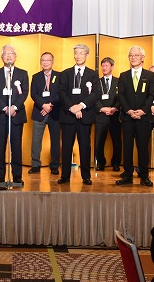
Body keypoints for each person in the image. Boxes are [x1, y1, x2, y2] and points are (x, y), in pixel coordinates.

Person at [58, 44, 100, 185]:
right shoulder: (66, 73)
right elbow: (62, 93)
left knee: (85, 147)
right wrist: (72, 108)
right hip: (68, 116)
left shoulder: (93, 74)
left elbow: (95, 94)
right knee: (66, 147)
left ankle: (86, 176)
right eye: (76, 53)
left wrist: (81, 106)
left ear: (87, 55)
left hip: (85, 116)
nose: (78, 56)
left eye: (81, 53)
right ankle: (64, 176)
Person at [0, 45, 29, 187]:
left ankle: (17, 177)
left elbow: (24, 92)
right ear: (2, 57)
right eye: (6, 53)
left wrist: (14, 107)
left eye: (11, 53)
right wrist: (5, 108)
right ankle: (0, 177)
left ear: (15, 56)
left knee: (16, 148)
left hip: (16, 116)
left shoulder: (22, 73)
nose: (9, 56)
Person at [118, 46, 154, 186]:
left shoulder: (149, 75)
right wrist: (128, 111)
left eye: (136, 55)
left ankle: (144, 176)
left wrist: (143, 110)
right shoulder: (123, 75)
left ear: (142, 58)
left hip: (143, 118)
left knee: (143, 147)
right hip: (127, 118)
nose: (133, 58)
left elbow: (151, 95)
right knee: (127, 147)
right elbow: (121, 95)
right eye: (131, 55)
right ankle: (127, 175)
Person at [29, 52, 61, 175]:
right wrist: (43, 105)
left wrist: (50, 105)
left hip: (55, 113)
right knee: (36, 140)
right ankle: (35, 164)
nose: (45, 62)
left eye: (48, 60)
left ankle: (54, 165)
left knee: (55, 140)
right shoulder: (36, 77)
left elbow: (60, 94)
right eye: (43, 60)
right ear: (40, 62)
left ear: (52, 62)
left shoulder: (59, 76)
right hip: (39, 112)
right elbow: (33, 94)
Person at [94, 57, 121, 172]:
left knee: (117, 141)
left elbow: (122, 97)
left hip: (115, 116)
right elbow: (93, 97)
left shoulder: (119, 81)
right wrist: (102, 108)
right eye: (103, 66)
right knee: (99, 141)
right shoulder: (97, 82)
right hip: (101, 115)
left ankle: (116, 163)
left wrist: (115, 108)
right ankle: (101, 163)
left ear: (112, 67)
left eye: (106, 66)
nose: (104, 68)